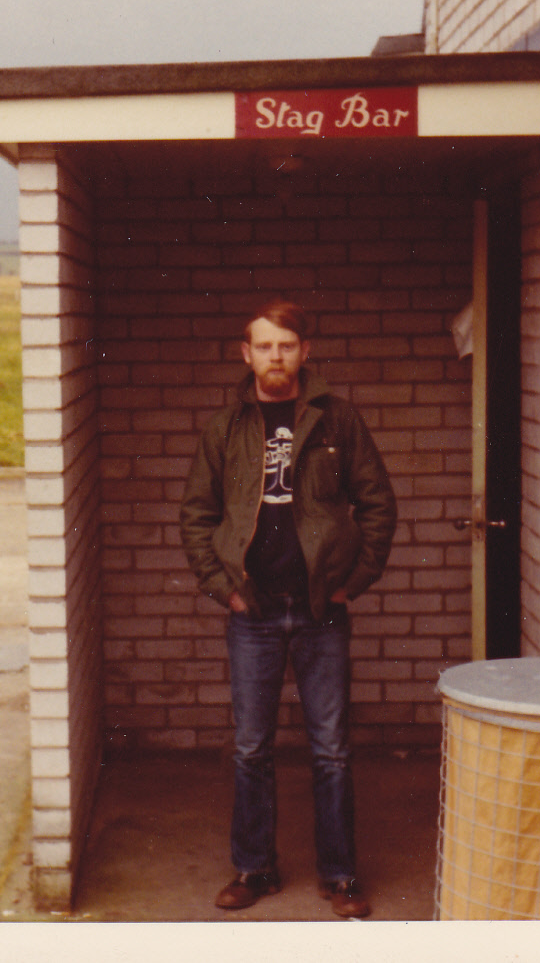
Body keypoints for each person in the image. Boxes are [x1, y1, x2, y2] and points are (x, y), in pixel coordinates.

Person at [179, 299, 397, 919]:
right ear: (246, 354)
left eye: (287, 345)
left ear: (305, 351)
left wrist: (353, 582)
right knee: (252, 748)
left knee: (331, 750)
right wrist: (223, 589)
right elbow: (196, 515)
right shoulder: (225, 428)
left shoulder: (338, 420)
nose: (275, 356)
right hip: (252, 614)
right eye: (264, 346)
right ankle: (254, 868)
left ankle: (341, 876)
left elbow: (378, 503)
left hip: (321, 611)